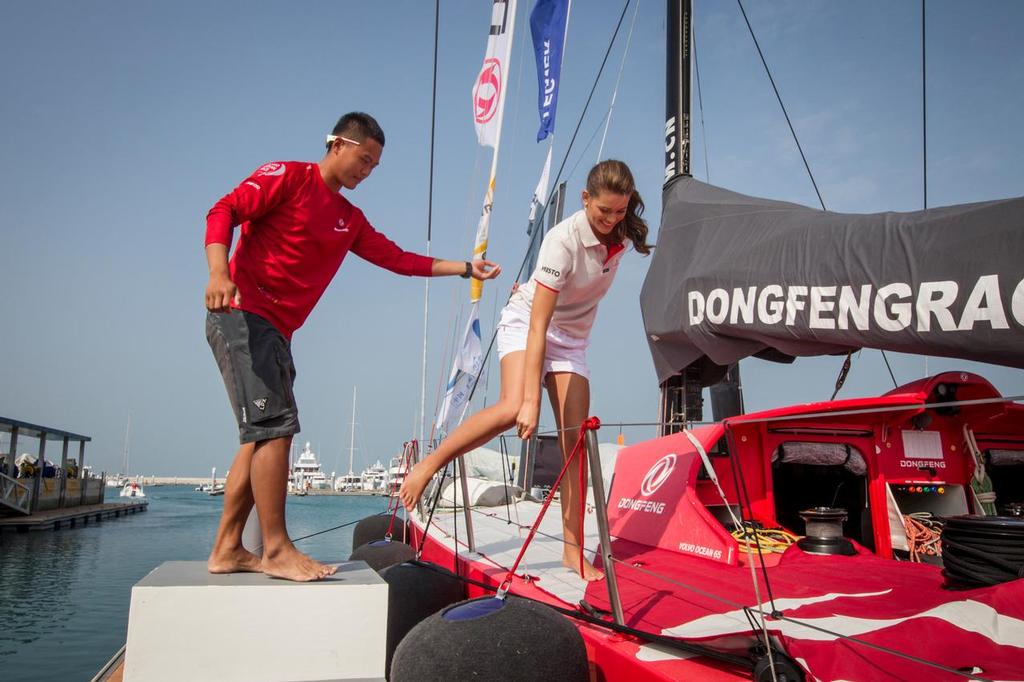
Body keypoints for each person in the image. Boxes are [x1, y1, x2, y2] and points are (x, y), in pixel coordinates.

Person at [204, 112, 501, 582]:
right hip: (243, 314)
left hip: (278, 332)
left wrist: (466, 268)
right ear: (338, 144)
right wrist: (219, 273)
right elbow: (224, 210)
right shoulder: (289, 177)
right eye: (364, 159)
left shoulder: (349, 219)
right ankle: (277, 548)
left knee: (260, 434)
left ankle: (227, 547)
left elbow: (399, 260)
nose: (367, 170)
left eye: (375, 165)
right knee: (276, 429)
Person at [399, 160, 650, 581]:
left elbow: (620, 243)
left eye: (620, 212)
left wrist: (625, 225)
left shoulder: (621, 234)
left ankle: (574, 553)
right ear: (585, 199)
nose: (611, 220)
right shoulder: (561, 241)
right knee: (513, 405)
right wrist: (531, 401)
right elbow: (537, 324)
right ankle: (430, 465)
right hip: (529, 321)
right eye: (603, 211)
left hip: (571, 338)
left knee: (576, 441)